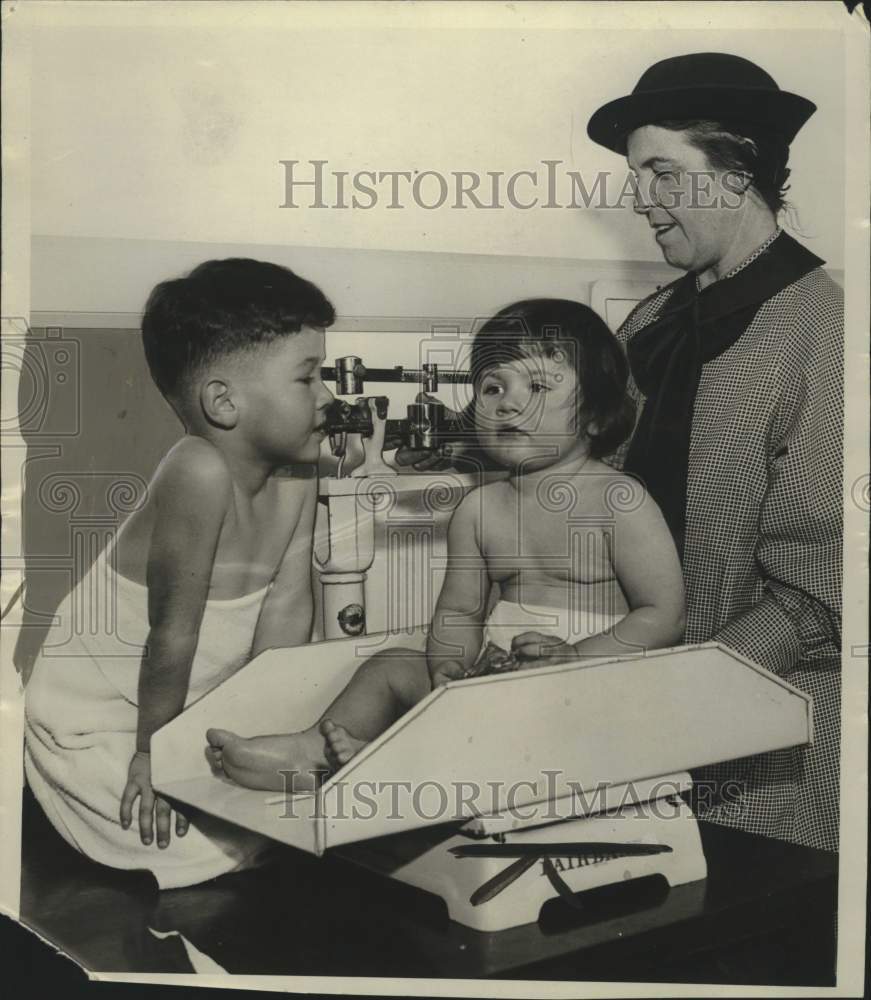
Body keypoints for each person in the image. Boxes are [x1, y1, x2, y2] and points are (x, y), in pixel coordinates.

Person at [205, 298, 687, 792]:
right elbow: (459, 612)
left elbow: (663, 614)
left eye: (538, 386)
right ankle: (314, 751)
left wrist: (576, 659)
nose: (509, 402)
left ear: (597, 418)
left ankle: (395, 766)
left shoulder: (618, 500)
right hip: (498, 681)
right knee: (394, 664)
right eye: (493, 386)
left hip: (592, 686)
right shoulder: (481, 509)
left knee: (510, 725)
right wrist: (450, 667)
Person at [586, 53, 842, 851]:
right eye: (636, 179)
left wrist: (685, 700)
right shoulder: (650, 323)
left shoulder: (823, 328)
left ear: (737, 171)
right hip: (633, 705)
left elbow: (823, 580)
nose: (642, 202)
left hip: (768, 737)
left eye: (662, 173)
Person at [23, 258, 336, 888]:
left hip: (182, 703)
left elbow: (288, 611)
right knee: (185, 845)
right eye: (309, 379)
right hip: (103, 718)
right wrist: (155, 758)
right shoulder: (197, 470)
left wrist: (261, 727)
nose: (329, 397)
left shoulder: (301, 477)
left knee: (297, 815)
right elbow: (172, 634)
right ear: (224, 402)